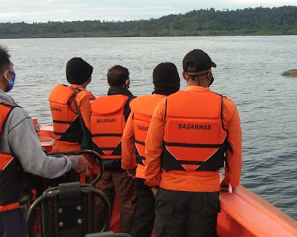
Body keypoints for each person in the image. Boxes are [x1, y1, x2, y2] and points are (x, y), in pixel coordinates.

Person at [0, 46, 92, 237]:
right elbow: (40, 165)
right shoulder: (12, 115)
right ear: (6, 74)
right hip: (4, 213)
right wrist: (73, 161)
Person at [144, 49, 242, 237]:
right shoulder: (226, 107)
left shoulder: (165, 105)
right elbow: (234, 151)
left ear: (183, 75)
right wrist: (230, 181)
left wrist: (153, 182)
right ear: (209, 75)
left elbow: (153, 149)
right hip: (206, 193)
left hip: (170, 189)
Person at [121, 62, 181, 237]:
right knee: (171, 222)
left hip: (143, 172)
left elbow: (127, 139)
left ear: (154, 83)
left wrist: (129, 165)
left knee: (142, 220)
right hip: (169, 177)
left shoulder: (138, 107)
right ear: (177, 83)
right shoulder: (176, 108)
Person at [90, 65, 136, 233]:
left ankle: (96, 235)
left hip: (101, 165)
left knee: (100, 204)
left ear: (108, 82)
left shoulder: (96, 105)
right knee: (128, 205)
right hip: (123, 166)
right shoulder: (131, 103)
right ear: (127, 82)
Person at [48, 57, 96, 152]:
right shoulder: (85, 96)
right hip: (78, 152)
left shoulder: (57, 94)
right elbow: (92, 126)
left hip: (57, 149)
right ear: (88, 78)